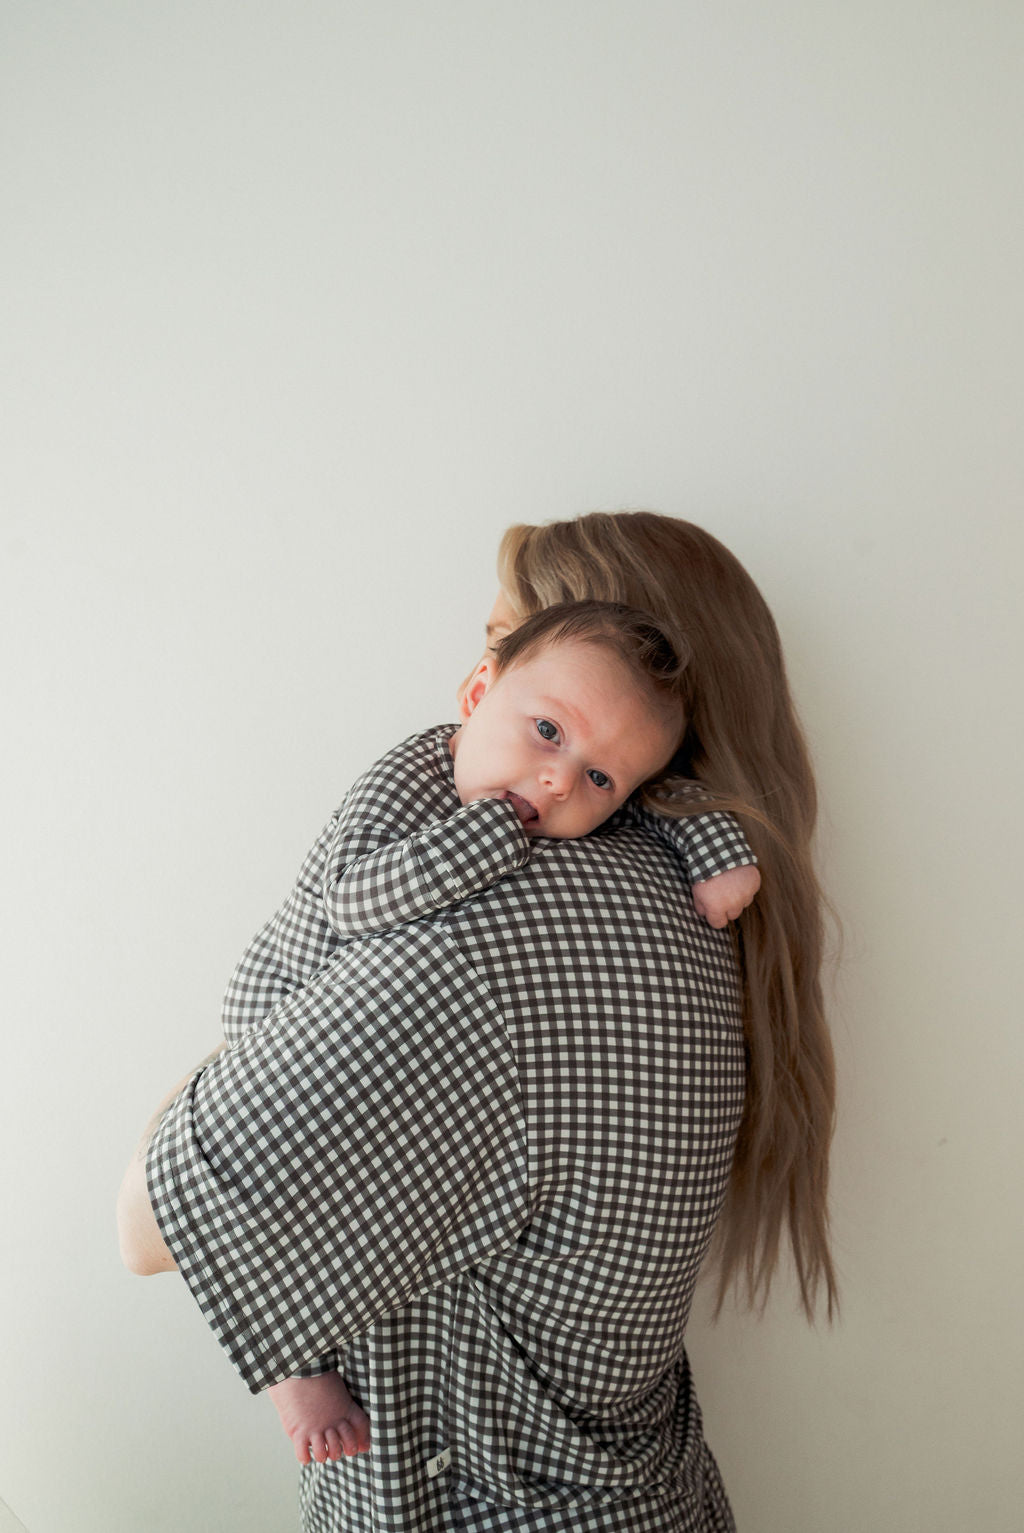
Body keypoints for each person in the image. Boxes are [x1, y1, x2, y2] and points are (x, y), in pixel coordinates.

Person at [118, 511, 837, 1533]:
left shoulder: (490, 932)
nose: (475, 653)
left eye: (504, 629)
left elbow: (148, 1226)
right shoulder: (682, 903)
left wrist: (269, 1037)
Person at [229, 600, 760, 1464]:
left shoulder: (583, 802)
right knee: (286, 1211)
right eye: (548, 730)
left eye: (597, 779)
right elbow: (358, 900)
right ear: (479, 690)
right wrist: (491, 835)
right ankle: (294, 1365)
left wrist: (713, 846)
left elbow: (663, 796)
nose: (558, 782)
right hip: (280, 1003)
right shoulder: (411, 774)